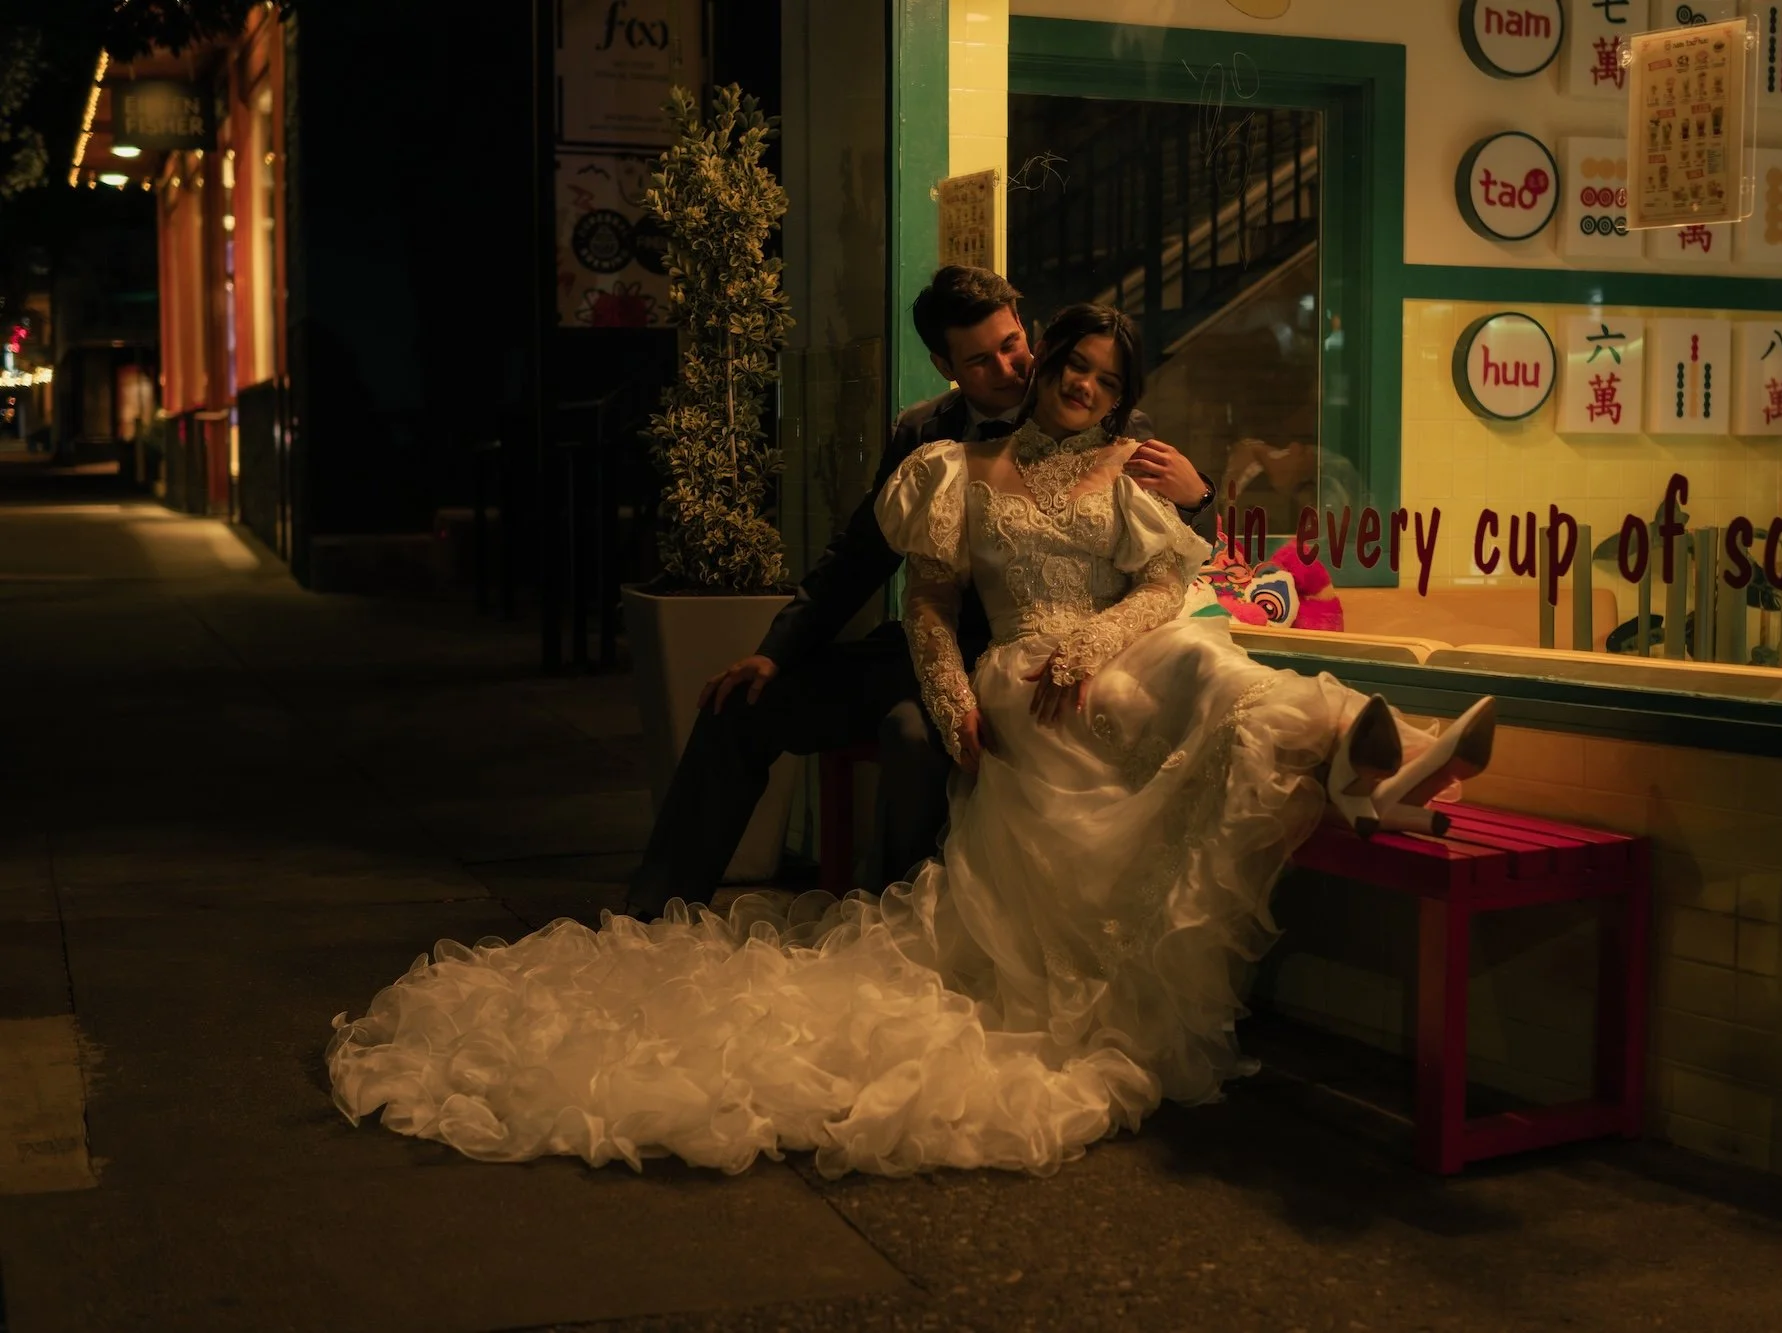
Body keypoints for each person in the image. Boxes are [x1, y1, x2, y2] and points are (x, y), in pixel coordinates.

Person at [324, 302, 1495, 1179]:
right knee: (812, 712)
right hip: (999, 668)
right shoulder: (936, 453)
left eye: (1046, 353)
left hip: (1107, 650)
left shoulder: (1121, 453)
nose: (1036, 369)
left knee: (1202, 655)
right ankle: (663, 895)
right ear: (955, 364)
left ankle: (1372, 752)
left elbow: (1172, 568)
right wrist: (867, 674)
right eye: (1009, 357)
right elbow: (894, 586)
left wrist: (1143, 569)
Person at [623, 266, 1215, 918]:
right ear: (944, 365)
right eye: (980, 359)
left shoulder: (1108, 413)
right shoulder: (924, 433)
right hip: (921, 648)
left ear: (1029, 330)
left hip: (1034, 669)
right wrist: (777, 649)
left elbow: (1168, 549)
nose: (1009, 367)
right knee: (741, 702)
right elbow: (859, 554)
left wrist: (1202, 495)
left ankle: (894, 923)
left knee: (910, 737)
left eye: (1012, 344)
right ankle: (653, 918)